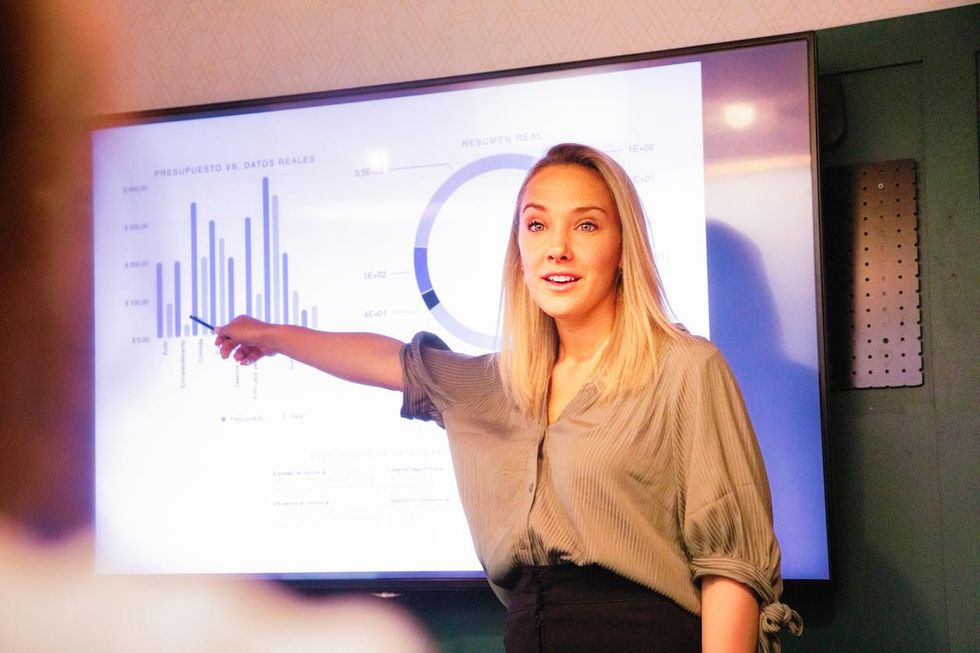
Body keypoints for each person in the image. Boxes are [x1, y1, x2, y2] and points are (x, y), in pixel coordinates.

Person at [216, 143, 803, 652]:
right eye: (537, 225)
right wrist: (269, 336)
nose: (558, 248)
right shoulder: (496, 386)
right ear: (519, 251)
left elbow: (731, 567)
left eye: (588, 225)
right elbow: (388, 360)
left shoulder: (686, 367)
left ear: (623, 248)